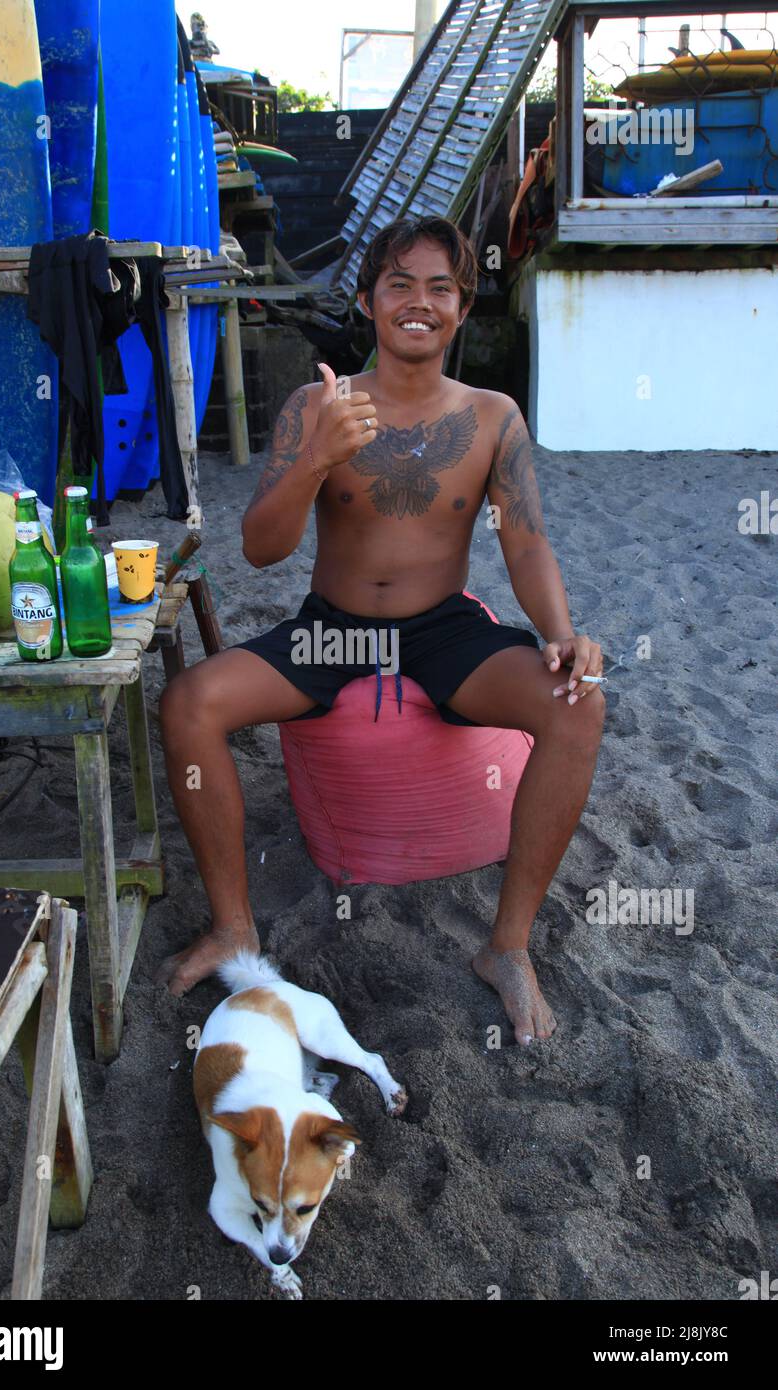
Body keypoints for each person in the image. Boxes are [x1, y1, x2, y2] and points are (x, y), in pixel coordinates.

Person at [158, 215, 605, 1045]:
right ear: (369, 301)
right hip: (335, 630)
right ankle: (234, 925)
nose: (419, 303)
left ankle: (506, 946)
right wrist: (316, 457)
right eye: (400, 284)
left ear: (463, 309)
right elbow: (262, 549)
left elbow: (526, 541)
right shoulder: (315, 407)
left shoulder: (493, 417)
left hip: (445, 631)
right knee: (188, 702)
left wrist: (560, 633)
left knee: (579, 703)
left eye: (441, 287)